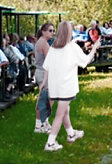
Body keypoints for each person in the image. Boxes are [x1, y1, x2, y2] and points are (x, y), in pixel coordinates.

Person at [42, 21, 100, 151]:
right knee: (60, 114)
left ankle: (71, 134)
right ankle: (50, 143)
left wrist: (44, 84)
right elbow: (85, 62)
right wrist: (95, 47)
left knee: (65, 110)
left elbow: (46, 67)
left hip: (55, 87)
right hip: (66, 87)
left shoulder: (53, 48)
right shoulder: (72, 47)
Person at [33, 22, 54, 133]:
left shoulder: (41, 42)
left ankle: (44, 122)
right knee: (43, 100)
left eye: (53, 31)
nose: (52, 33)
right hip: (43, 73)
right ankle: (39, 125)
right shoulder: (43, 43)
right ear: (43, 31)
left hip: (42, 71)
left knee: (49, 99)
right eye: (50, 30)